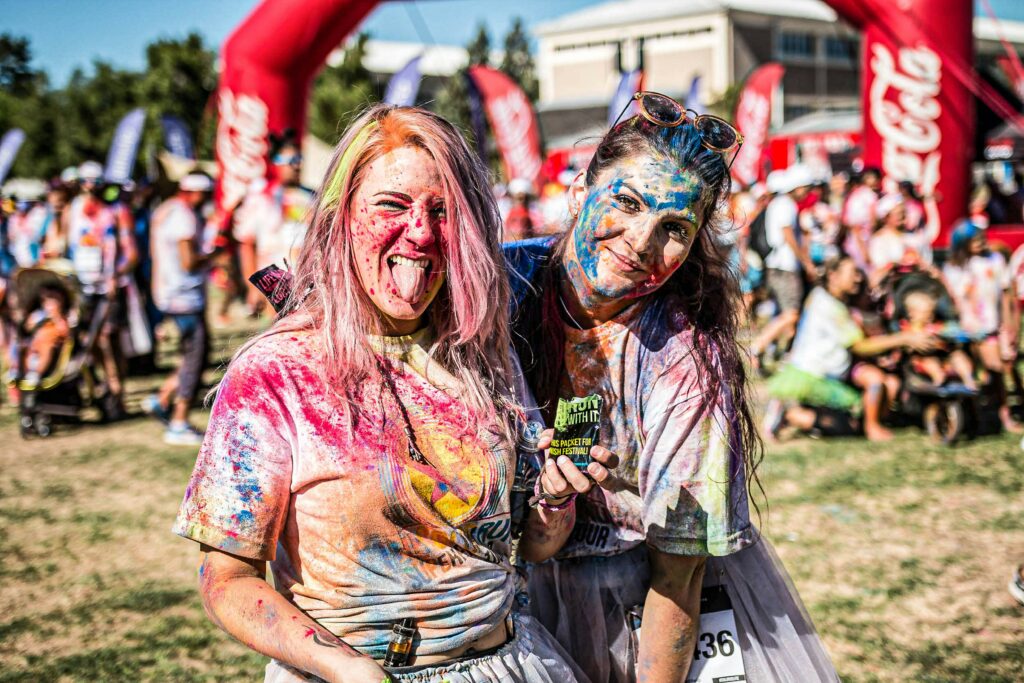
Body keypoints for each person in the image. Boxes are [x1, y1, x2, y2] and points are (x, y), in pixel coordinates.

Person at [174, 105, 611, 683]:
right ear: (340, 217)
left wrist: (555, 498)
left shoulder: (484, 353)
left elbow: (531, 548)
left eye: (442, 210)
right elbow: (226, 580)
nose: (422, 232)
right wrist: (345, 667)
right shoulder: (276, 372)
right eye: (392, 205)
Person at [506, 93, 838, 682]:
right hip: (508, 589)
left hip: (637, 599)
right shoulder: (502, 283)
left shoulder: (684, 362)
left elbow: (677, 577)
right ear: (580, 191)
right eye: (627, 203)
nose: (640, 241)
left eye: (673, 227)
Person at [765, 254, 939, 442]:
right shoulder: (828, 306)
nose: (858, 278)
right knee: (853, 418)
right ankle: (793, 416)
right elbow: (860, 346)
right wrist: (904, 338)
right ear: (833, 276)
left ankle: (802, 416)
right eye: (852, 273)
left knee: (858, 412)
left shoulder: (827, 298)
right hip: (814, 376)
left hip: (825, 375)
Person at [142, 174, 217, 445]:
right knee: (195, 359)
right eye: (206, 193)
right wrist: (215, 253)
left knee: (192, 356)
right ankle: (178, 421)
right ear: (193, 193)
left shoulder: (167, 210)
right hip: (183, 296)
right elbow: (188, 262)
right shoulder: (184, 217)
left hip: (171, 293)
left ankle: (161, 400)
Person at [64, 161, 138, 418]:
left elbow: (131, 254)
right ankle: (100, 390)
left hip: (110, 287)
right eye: (85, 182)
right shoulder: (72, 211)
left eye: (96, 182)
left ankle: (116, 393)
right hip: (82, 287)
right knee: (87, 341)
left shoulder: (117, 210)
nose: (91, 188)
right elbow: (64, 245)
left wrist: (114, 277)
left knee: (108, 338)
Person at [942, 220, 1021, 433]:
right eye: (974, 240)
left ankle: (1004, 414)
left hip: (995, 325)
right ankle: (989, 415)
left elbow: (1006, 294)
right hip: (971, 329)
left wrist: (1011, 323)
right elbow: (956, 300)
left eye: (981, 238)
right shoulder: (955, 267)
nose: (980, 242)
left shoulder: (995, 260)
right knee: (989, 370)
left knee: (1001, 369)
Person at [234, 132, 314, 316]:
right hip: (274, 283)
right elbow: (246, 244)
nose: (297, 165)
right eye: (291, 159)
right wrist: (253, 288)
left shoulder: (313, 196)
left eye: (299, 158)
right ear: (275, 162)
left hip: (310, 282)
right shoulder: (260, 198)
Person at [749, 164, 817, 367]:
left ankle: (776, 351)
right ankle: (757, 347)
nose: (807, 192)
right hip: (785, 267)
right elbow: (787, 234)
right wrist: (806, 262)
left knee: (783, 313)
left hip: (775, 266)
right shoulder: (786, 204)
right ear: (797, 186)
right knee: (791, 314)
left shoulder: (778, 203)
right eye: (806, 187)